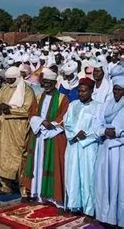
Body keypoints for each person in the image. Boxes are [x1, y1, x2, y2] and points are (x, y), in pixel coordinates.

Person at [23, 68, 69, 207]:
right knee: (37, 164)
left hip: (53, 136)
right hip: (38, 136)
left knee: (52, 164)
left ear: (55, 82)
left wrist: (51, 124)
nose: (46, 85)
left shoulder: (62, 98)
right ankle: (36, 193)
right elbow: (31, 113)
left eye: (49, 82)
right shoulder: (38, 96)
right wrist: (42, 122)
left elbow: (64, 117)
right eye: (44, 82)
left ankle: (52, 198)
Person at [0, 66, 35, 195]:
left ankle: (24, 189)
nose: (9, 82)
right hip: (2, 127)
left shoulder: (27, 91)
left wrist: (9, 109)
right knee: (1, 155)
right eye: (7, 80)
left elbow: (28, 110)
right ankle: (6, 186)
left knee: (19, 157)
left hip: (17, 129)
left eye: (11, 80)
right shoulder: (4, 88)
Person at [64, 77, 103, 217]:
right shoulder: (73, 104)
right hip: (73, 145)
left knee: (88, 177)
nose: (81, 94)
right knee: (72, 175)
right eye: (79, 91)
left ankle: (89, 210)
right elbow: (66, 122)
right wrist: (75, 135)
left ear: (91, 91)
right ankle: (74, 205)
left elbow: (99, 128)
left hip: (89, 147)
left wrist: (85, 137)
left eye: (84, 91)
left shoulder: (99, 106)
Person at [95, 65, 123, 227]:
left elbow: (118, 130)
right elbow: (96, 124)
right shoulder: (107, 104)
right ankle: (105, 216)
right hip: (106, 149)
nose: (116, 92)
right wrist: (105, 130)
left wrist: (117, 131)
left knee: (119, 184)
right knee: (104, 183)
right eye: (115, 89)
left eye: (119, 90)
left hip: (120, 151)